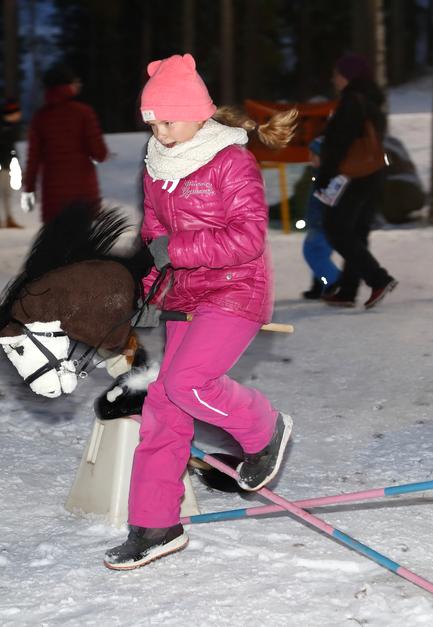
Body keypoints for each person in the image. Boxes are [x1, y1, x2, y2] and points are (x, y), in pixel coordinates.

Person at [103, 54, 296, 570]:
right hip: (183, 296)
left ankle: (265, 430)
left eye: (167, 120)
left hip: (236, 289)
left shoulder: (231, 161)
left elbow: (248, 238)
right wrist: (143, 290)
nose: (159, 132)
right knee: (163, 410)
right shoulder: (157, 164)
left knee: (187, 381)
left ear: (197, 113)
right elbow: (153, 238)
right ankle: (155, 524)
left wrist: (178, 250)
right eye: (152, 123)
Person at [315, 53, 398, 309]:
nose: (334, 78)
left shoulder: (352, 101)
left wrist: (324, 176)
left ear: (349, 76)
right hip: (373, 172)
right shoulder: (373, 100)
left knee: (336, 228)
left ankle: (378, 278)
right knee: (357, 231)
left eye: (338, 74)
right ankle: (348, 290)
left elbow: (339, 143)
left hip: (352, 175)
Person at [23, 63, 108, 224]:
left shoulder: (40, 118)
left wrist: (29, 188)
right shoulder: (84, 112)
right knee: (83, 244)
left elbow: (33, 159)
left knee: (58, 245)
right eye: (76, 82)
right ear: (68, 85)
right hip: (83, 194)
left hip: (53, 196)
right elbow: (100, 153)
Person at [301, 136, 341, 299]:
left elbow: (330, 201)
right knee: (319, 254)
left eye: (314, 155)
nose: (310, 159)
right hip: (318, 222)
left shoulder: (331, 177)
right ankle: (321, 284)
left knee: (313, 252)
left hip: (324, 224)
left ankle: (335, 281)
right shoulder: (319, 174)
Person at [0, 98, 23, 228]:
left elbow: (11, 147)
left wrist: (15, 160)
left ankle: (7, 218)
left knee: (7, 191)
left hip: (7, 163)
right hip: (0, 164)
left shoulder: (9, 128)